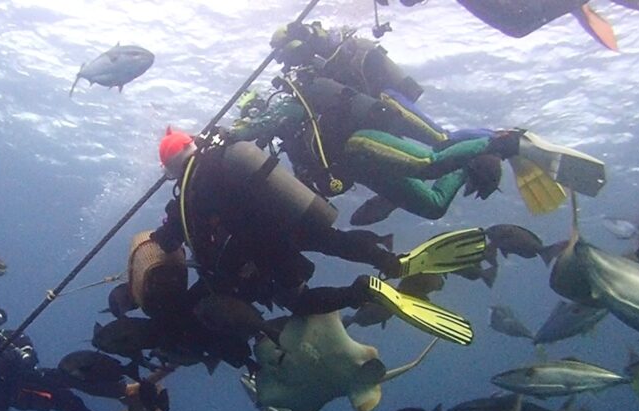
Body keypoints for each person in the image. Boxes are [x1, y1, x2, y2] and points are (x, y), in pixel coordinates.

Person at [149, 127, 485, 346]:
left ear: (171, 169)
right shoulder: (226, 156)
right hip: (290, 214)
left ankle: (360, 291)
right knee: (334, 241)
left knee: (300, 302)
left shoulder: (186, 197)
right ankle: (390, 260)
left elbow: (169, 240)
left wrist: (162, 232)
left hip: (263, 248)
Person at [228, 21, 525, 220]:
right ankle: (470, 161)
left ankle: (501, 140)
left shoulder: (300, 94)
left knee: (434, 154)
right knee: (432, 206)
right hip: (357, 165)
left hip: (364, 135)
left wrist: (230, 133)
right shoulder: (290, 121)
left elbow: (257, 125)